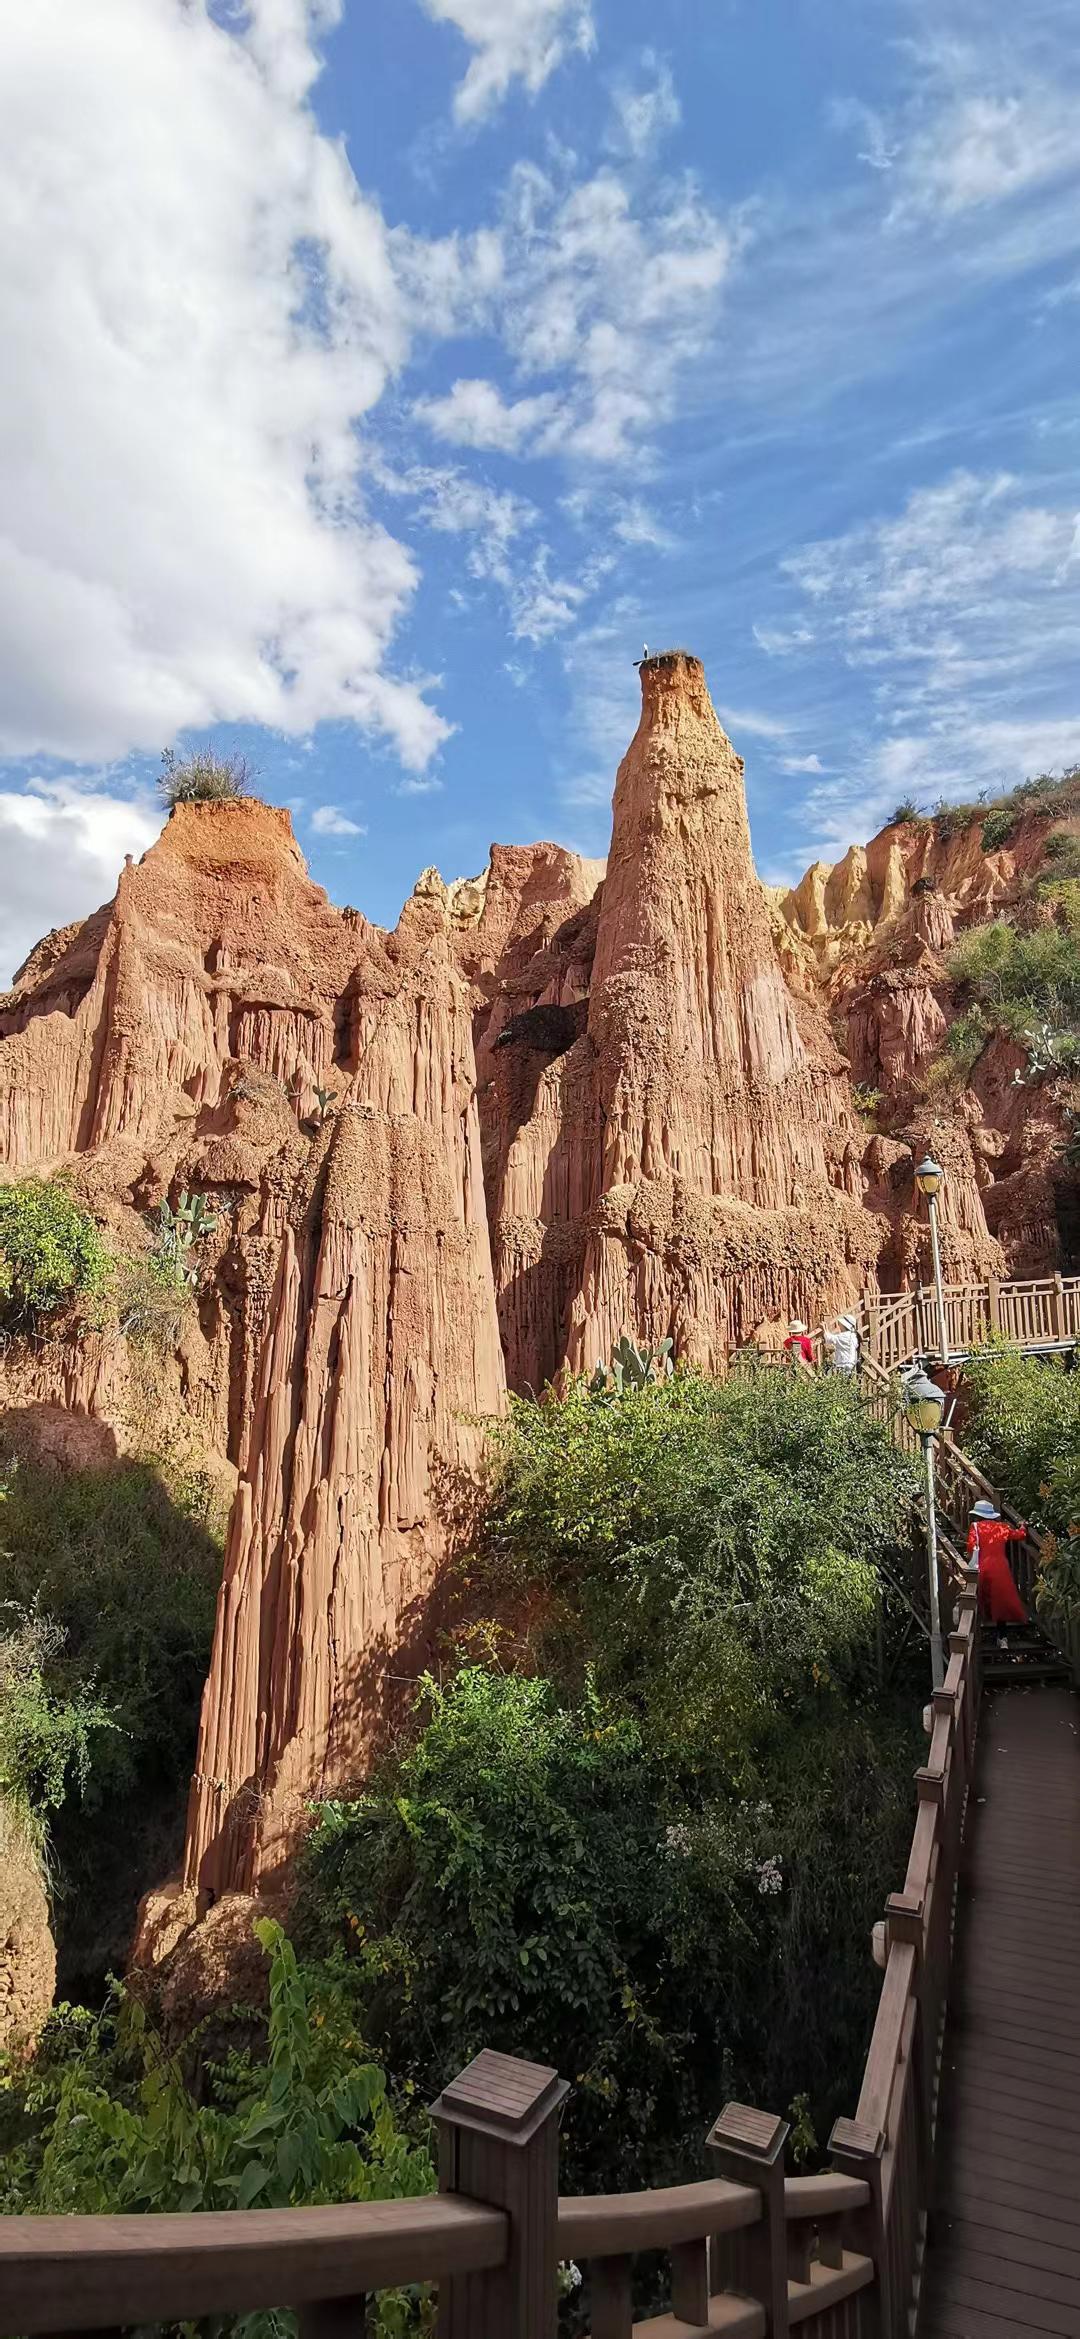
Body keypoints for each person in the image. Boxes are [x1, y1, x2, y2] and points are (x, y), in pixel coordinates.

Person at [967, 1499, 1027, 1630]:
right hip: (1000, 1566)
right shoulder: (1002, 1527)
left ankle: (981, 1625)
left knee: (980, 1594)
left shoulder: (975, 1527)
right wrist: (1022, 1526)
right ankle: (1002, 1637)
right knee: (1000, 1598)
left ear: (977, 1515)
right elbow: (1020, 1535)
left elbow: (971, 1545)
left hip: (983, 1564)